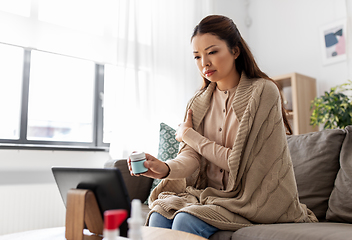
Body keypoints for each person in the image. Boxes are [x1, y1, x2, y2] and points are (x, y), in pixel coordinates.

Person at [128, 15, 317, 239]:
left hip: (251, 199)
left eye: (212, 52)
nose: (204, 63)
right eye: (197, 56)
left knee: (184, 219)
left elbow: (236, 162)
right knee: (160, 215)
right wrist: (165, 168)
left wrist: (188, 134)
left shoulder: (263, 92)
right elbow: (191, 156)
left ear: (235, 51)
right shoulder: (197, 102)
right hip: (211, 197)